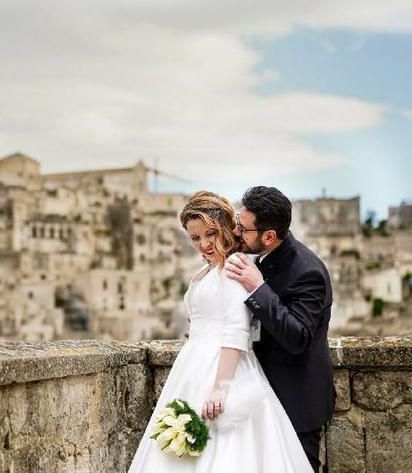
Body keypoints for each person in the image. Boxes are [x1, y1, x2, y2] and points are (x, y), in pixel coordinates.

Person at [128, 191, 312, 473]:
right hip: (193, 366)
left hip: (224, 371)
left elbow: (237, 328)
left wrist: (220, 388)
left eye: (210, 234)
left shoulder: (235, 265)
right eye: (195, 237)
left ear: (225, 226)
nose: (204, 244)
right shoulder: (205, 271)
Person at [224, 186, 336, 472]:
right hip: (261, 396)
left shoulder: (307, 271)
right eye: (238, 221)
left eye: (243, 228)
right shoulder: (262, 256)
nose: (237, 232)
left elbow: (297, 336)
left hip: (296, 401)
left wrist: (258, 287)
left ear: (269, 235)